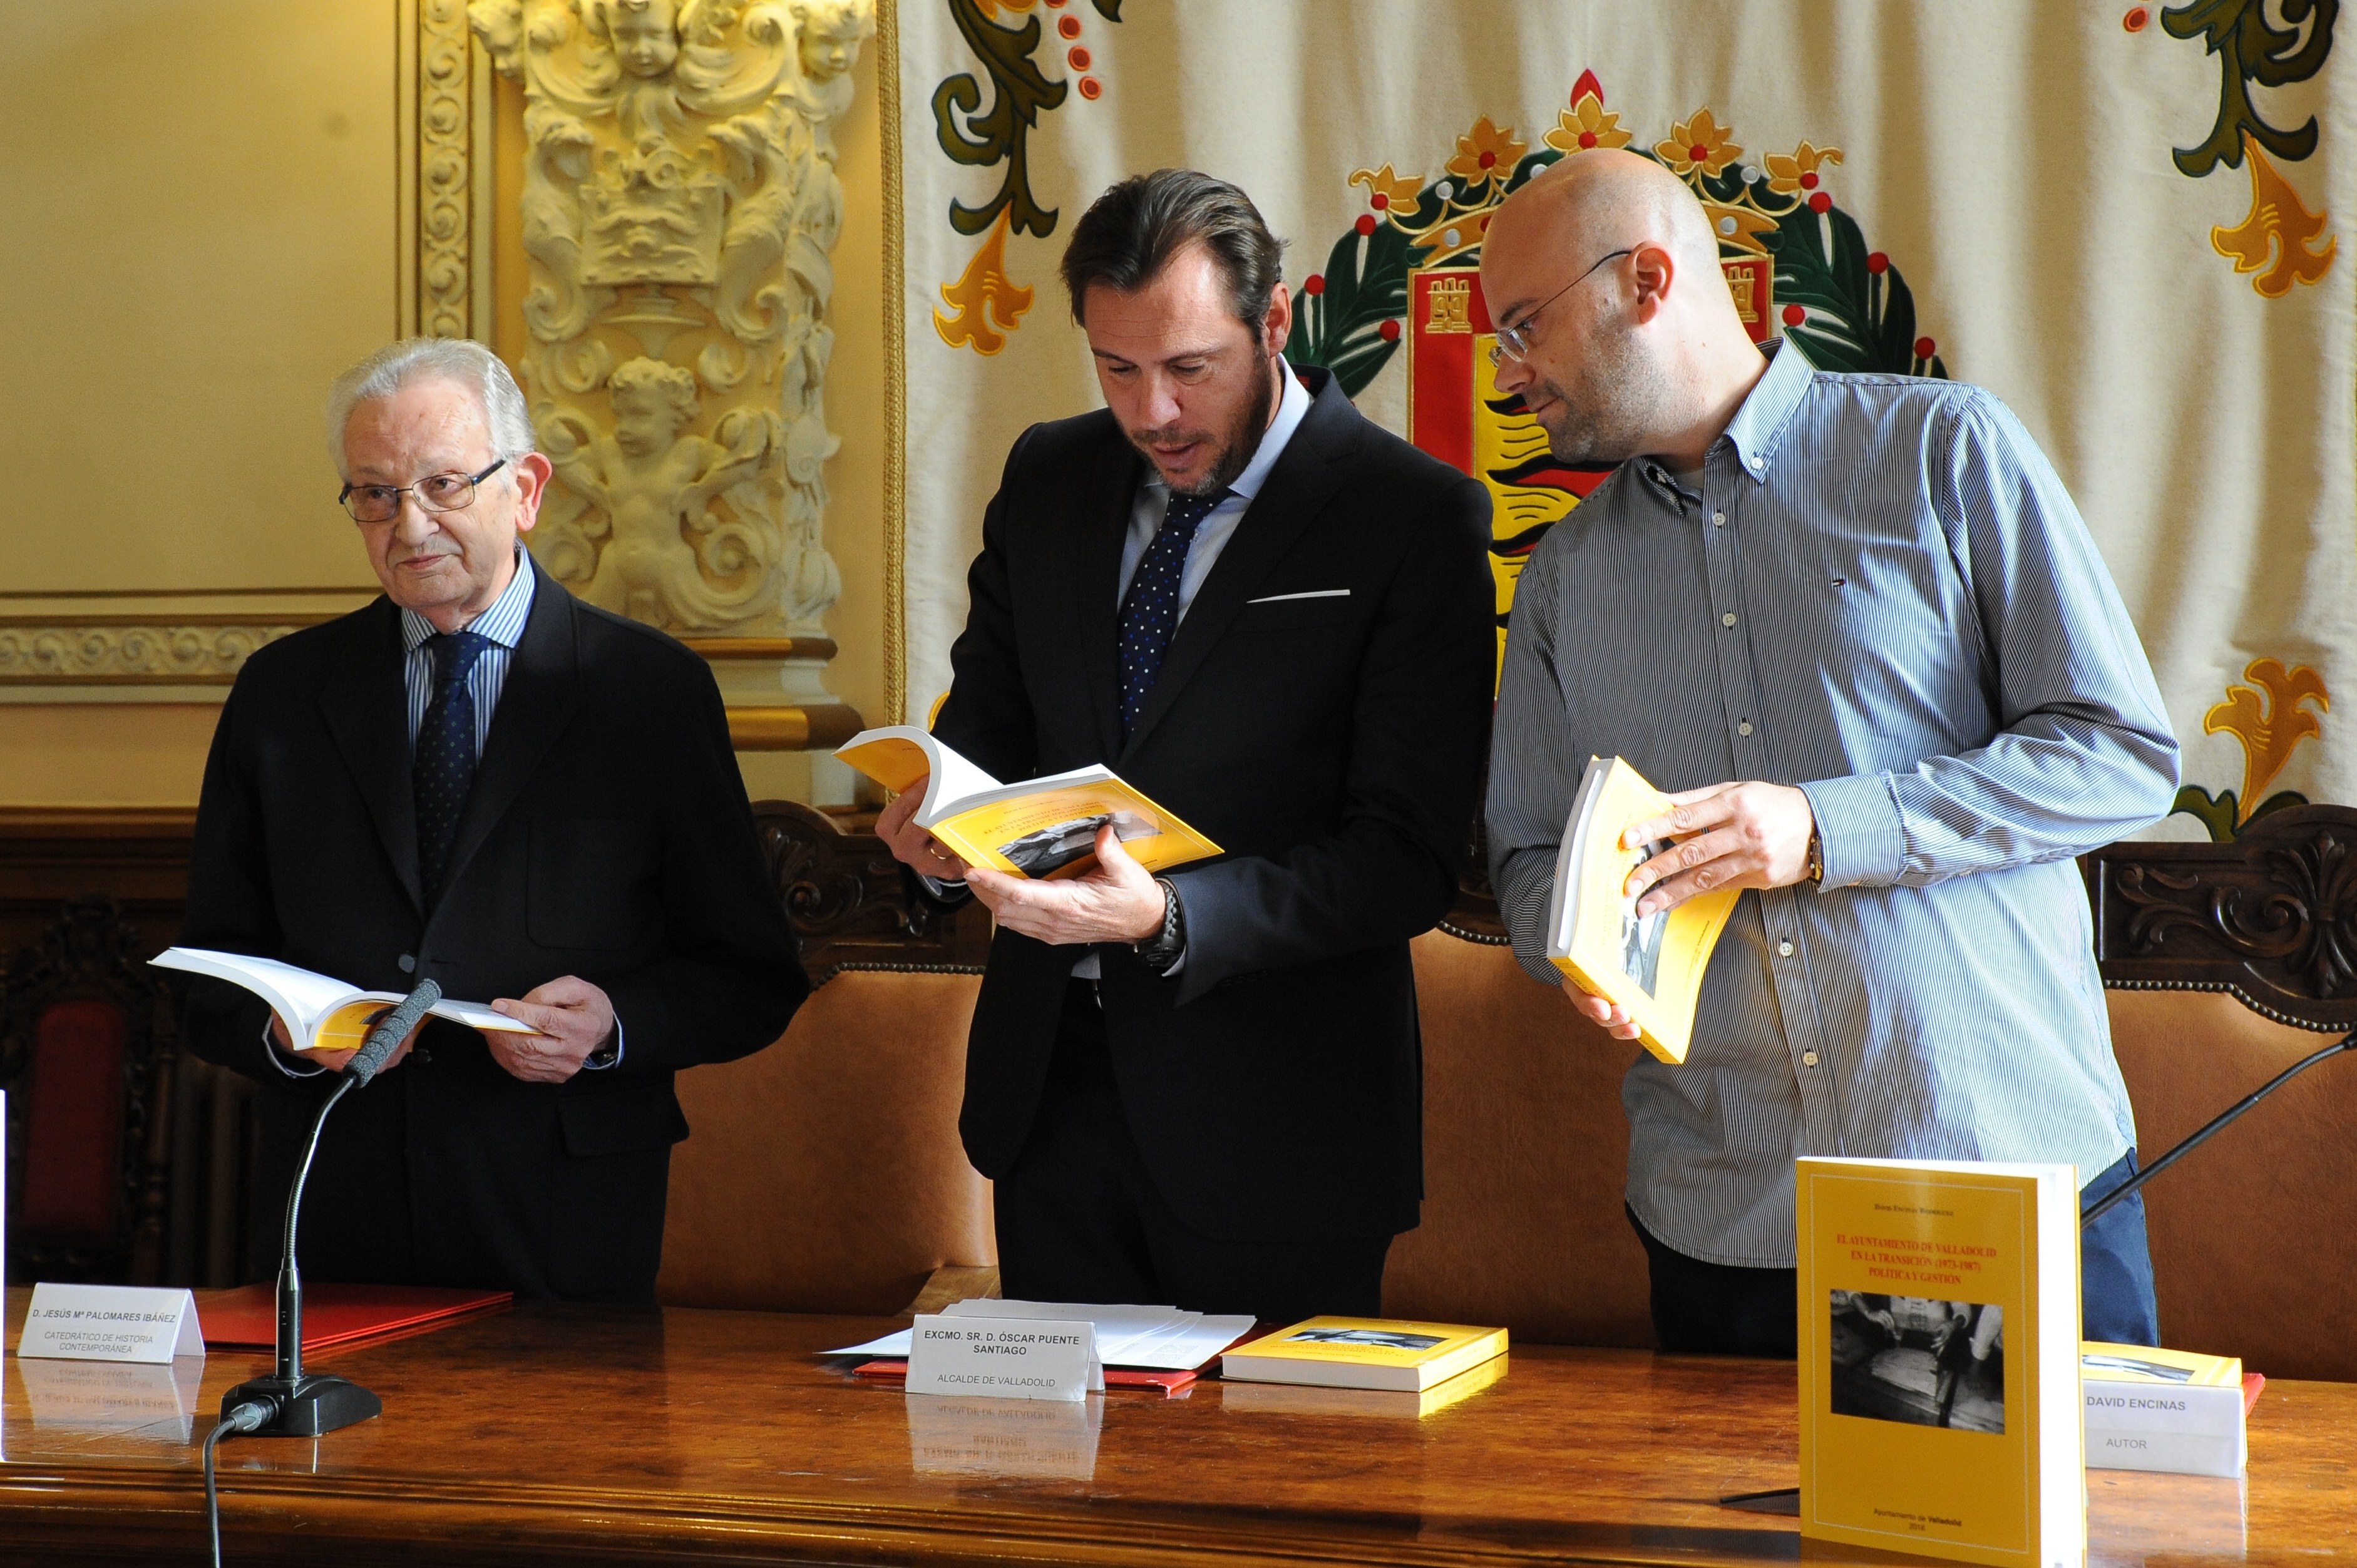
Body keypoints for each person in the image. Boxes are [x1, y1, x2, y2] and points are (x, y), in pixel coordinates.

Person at [1480, 150, 2179, 1355]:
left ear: (1645, 280)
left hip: (1991, 1181)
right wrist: (1580, 941)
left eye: (1522, 327)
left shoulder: (1943, 450)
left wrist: (1821, 827)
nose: (1506, 372)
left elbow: (2118, 752)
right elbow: (1529, 857)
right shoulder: (1563, 580)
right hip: (1727, 1221)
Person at [876, 169, 1495, 1323]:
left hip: (1279, 1125)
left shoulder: (1408, 516)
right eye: (1116, 368)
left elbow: (1404, 858)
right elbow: (987, 733)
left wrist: (1166, 918)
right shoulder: (1047, 478)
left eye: (1188, 367)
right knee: (1067, 1447)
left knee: (1268, 1451)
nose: (1151, 411)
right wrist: (937, 831)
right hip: (1048, 1103)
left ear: (1274, 323)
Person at [176, 337, 806, 1303]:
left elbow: (751, 976)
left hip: (562, 1222)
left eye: (443, 484)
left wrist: (613, 1023)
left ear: (526, 489)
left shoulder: (650, 693)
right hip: (336, 1213)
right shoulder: (283, 694)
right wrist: (284, 1031)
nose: (409, 524)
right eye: (374, 494)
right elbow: (204, 974)